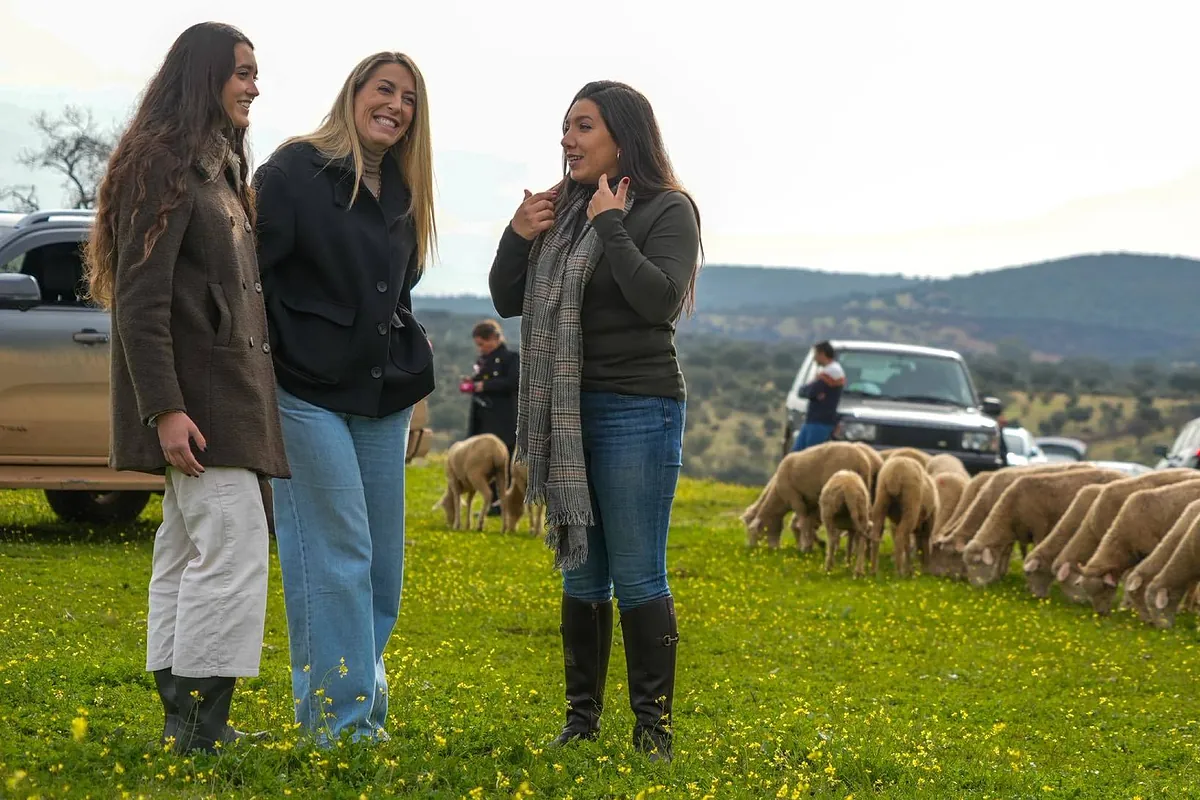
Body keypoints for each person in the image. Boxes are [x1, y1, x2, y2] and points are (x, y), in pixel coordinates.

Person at [85, 21, 289, 755]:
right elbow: (140, 300)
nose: (253, 86)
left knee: (187, 548)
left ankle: (187, 720)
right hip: (199, 406)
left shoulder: (216, 167)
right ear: (204, 75)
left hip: (222, 396)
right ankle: (202, 725)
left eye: (255, 72)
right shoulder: (164, 162)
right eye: (241, 72)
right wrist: (166, 408)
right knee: (229, 551)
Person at [488, 80, 702, 762]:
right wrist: (517, 236)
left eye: (582, 127)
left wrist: (612, 222)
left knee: (638, 573)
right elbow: (507, 297)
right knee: (581, 574)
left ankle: (652, 732)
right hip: (570, 414)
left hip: (638, 410)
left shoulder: (667, 209)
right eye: (564, 128)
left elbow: (658, 300)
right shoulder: (563, 211)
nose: (568, 140)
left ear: (623, 136)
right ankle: (581, 722)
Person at [252, 51, 437, 745]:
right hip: (304, 388)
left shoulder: (403, 187)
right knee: (335, 553)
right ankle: (341, 724)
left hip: (381, 393)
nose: (396, 105)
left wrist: (415, 398)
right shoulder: (294, 170)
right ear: (353, 93)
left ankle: (358, 704)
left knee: (382, 569)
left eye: (409, 98)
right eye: (384, 89)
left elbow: (400, 295)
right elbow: (251, 280)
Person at [465, 319, 519, 515]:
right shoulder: (483, 361)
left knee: (501, 464)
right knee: (485, 464)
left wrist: (485, 386)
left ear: (495, 338)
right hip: (484, 418)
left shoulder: (511, 358)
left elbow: (513, 382)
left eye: (483, 343)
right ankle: (491, 503)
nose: (481, 348)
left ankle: (504, 504)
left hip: (502, 419)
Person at [792, 340, 846, 452]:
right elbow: (803, 391)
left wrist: (811, 392)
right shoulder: (827, 371)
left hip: (820, 421)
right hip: (813, 420)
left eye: (816, 354)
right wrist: (812, 393)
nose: (814, 358)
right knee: (797, 455)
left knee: (810, 455)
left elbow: (811, 391)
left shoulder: (832, 372)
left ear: (822, 354)